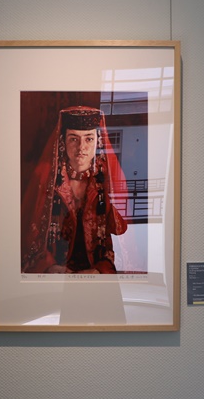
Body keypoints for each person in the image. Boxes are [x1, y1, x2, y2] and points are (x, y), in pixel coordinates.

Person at [21, 106, 128, 274]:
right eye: (73, 139)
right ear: (63, 141)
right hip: (56, 275)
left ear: (98, 141)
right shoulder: (46, 179)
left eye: (89, 139)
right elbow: (31, 237)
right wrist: (50, 267)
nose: (81, 147)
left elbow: (121, 243)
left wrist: (100, 270)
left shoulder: (108, 182)